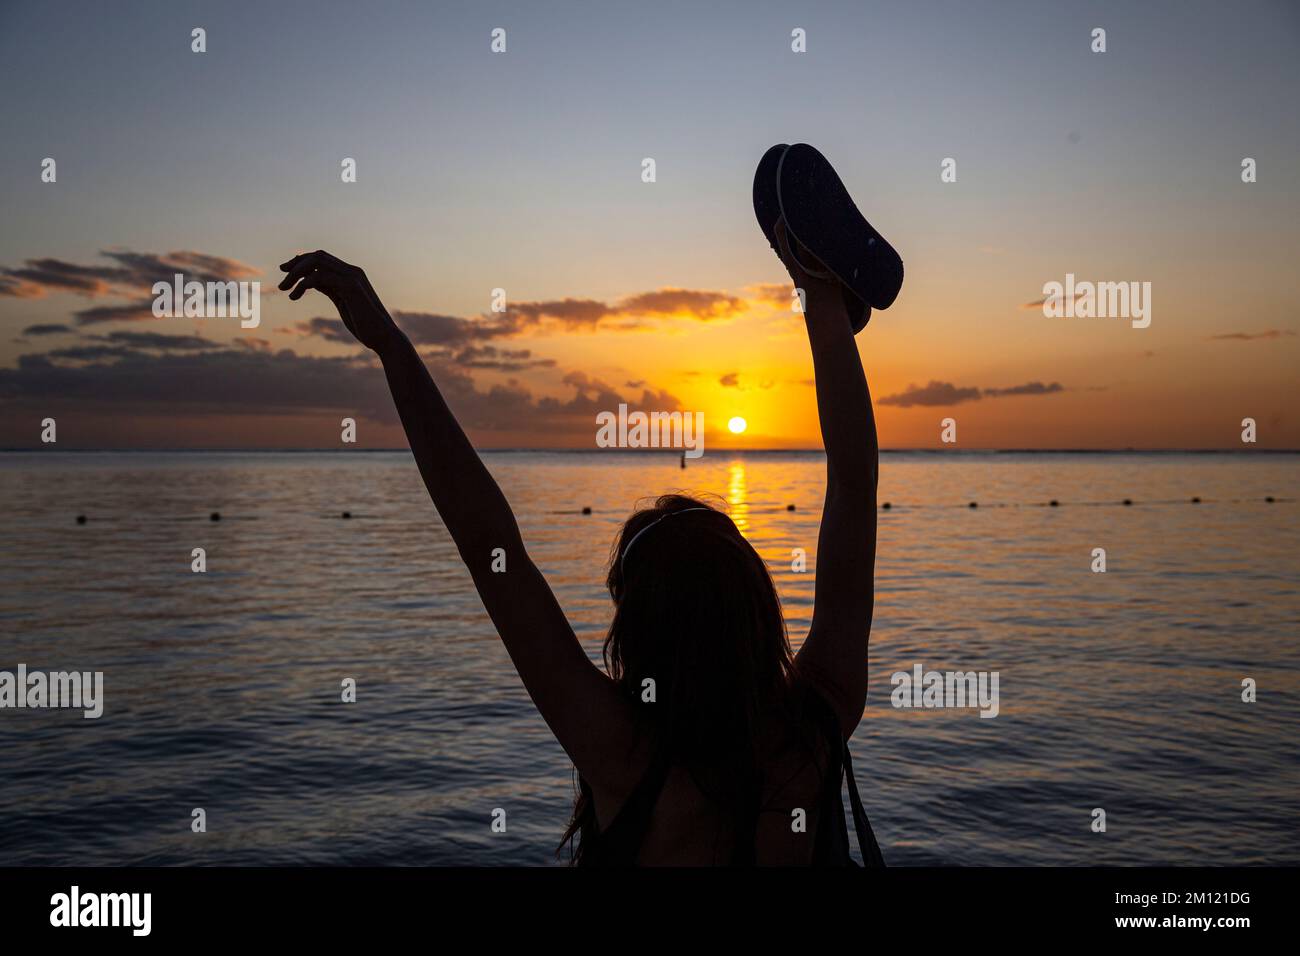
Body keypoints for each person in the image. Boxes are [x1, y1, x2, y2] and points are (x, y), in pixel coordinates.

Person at [279, 216, 882, 865]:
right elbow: (852, 485)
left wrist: (392, 347)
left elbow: (488, 546)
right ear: (756, 606)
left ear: (639, 628)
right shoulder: (814, 733)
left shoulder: (621, 754)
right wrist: (819, 295)